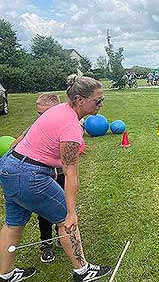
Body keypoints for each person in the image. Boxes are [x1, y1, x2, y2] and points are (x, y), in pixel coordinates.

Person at [0, 72, 112, 282]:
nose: (101, 104)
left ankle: (5, 274)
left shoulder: (59, 110)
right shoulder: (71, 127)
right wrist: (70, 213)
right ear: (80, 100)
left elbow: (30, 131)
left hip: (9, 167)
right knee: (66, 221)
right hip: (29, 176)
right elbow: (71, 176)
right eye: (98, 100)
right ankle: (83, 271)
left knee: (13, 224)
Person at [10, 93, 64, 264]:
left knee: (64, 208)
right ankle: (46, 245)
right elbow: (14, 145)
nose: (40, 118)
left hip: (60, 174)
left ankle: (62, 237)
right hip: (42, 175)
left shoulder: (66, 125)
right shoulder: (36, 126)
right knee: (44, 212)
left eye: (44, 114)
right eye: (38, 114)